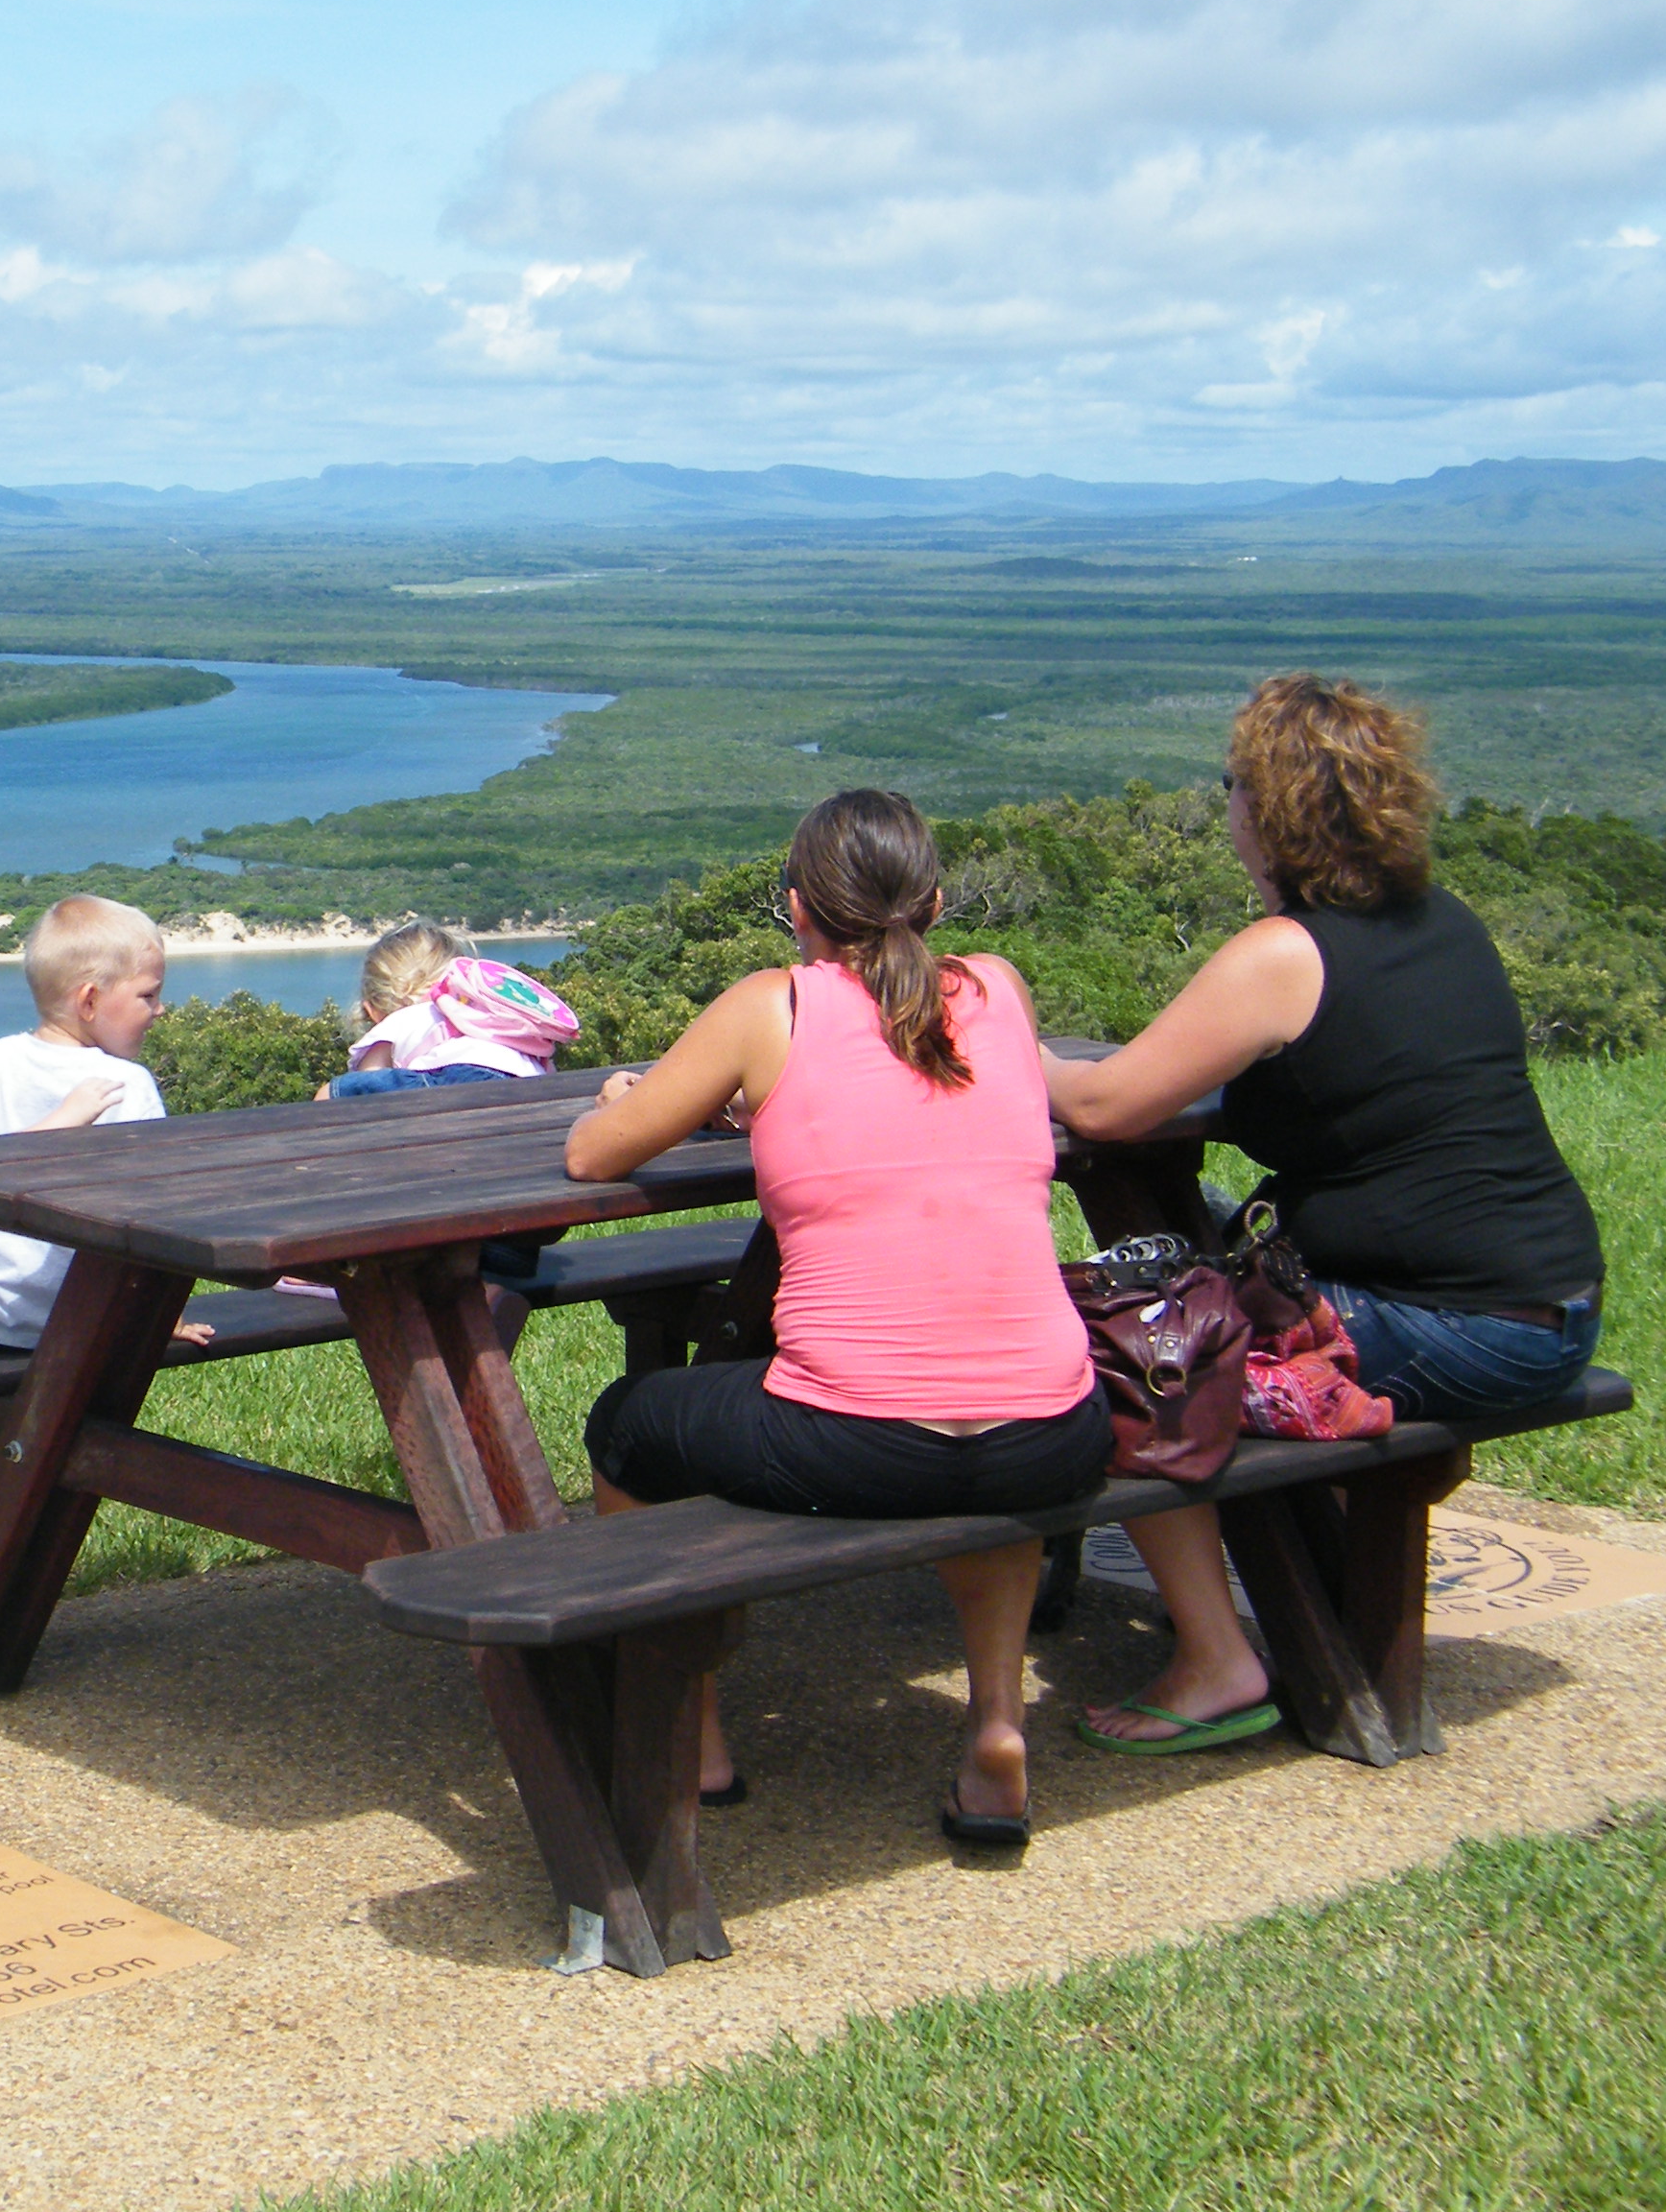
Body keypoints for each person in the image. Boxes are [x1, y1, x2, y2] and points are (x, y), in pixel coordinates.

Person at [1045, 674, 1604, 1755]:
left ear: (1271, 807)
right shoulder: (1446, 925)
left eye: (1233, 789)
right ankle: (1288, 1583)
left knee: (1122, 1360)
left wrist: (1011, 1046)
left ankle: (1220, 1661)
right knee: (1174, 1292)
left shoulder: (1286, 955)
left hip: (1455, 1325)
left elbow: (1109, 1103)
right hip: (1549, 1305)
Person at [561, 788, 1108, 1847]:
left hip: (858, 1442)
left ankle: (693, 1729)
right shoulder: (998, 988)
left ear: (798, 907)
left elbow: (596, 1155)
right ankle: (995, 1725)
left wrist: (627, 1099)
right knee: (985, 1410)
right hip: (1058, 1434)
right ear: (940, 901)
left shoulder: (777, 1008)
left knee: (630, 1421)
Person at [0, 895, 195, 1348]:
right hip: (93, 1321)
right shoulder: (126, 1084)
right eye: (148, 995)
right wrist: (163, 1314)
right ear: (90, 1001)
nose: (159, 1010)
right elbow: (158, 1216)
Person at [321, 924, 579, 1100]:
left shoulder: (401, 1019)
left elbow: (368, 1081)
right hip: (525, 1081)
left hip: (458, 1075)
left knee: (331, 1094)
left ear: (372, 1011)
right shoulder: (487, 1013)